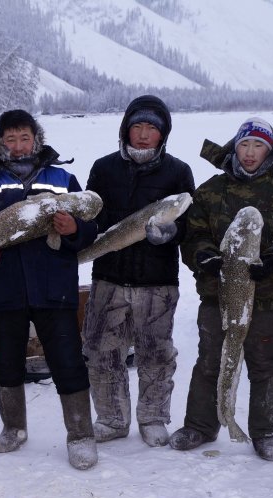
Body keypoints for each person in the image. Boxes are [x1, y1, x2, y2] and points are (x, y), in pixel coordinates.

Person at [0, 109, 100, 470]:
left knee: (67, 360)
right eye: (11, 139)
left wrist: (73, 230)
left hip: (54, 288)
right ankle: (14, 428)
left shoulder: (61, 177)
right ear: (0, 142)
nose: (19, 145)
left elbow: (88, 227)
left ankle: (81, 434)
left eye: (25, 138)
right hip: (2, 289)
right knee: (5, 363)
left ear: (36, 139)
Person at [171, 118, 273, 460]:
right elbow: (193, 235)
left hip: (268, 296)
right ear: (235, 146)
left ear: (271, 150)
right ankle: (200, 426)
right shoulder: (211, 190)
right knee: (210, 361)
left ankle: (269, 431)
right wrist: (203, 255)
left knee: (267, 363)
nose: (250, 153)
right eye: (244, 145)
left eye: (258, 146)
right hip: (217, 296)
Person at [84, 95, 196, 447]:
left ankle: (153, 417)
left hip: (157, 282)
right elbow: (93, 218)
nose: (144, 134)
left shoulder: (178, 172)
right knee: (102, 351)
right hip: (109, 277)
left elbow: (190, 224)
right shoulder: (103, 168)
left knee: (156, 353)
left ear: (163, 134)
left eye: (152, 128)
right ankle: (113, 419)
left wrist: (171, 233)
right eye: (138, 126)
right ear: (126, 130)